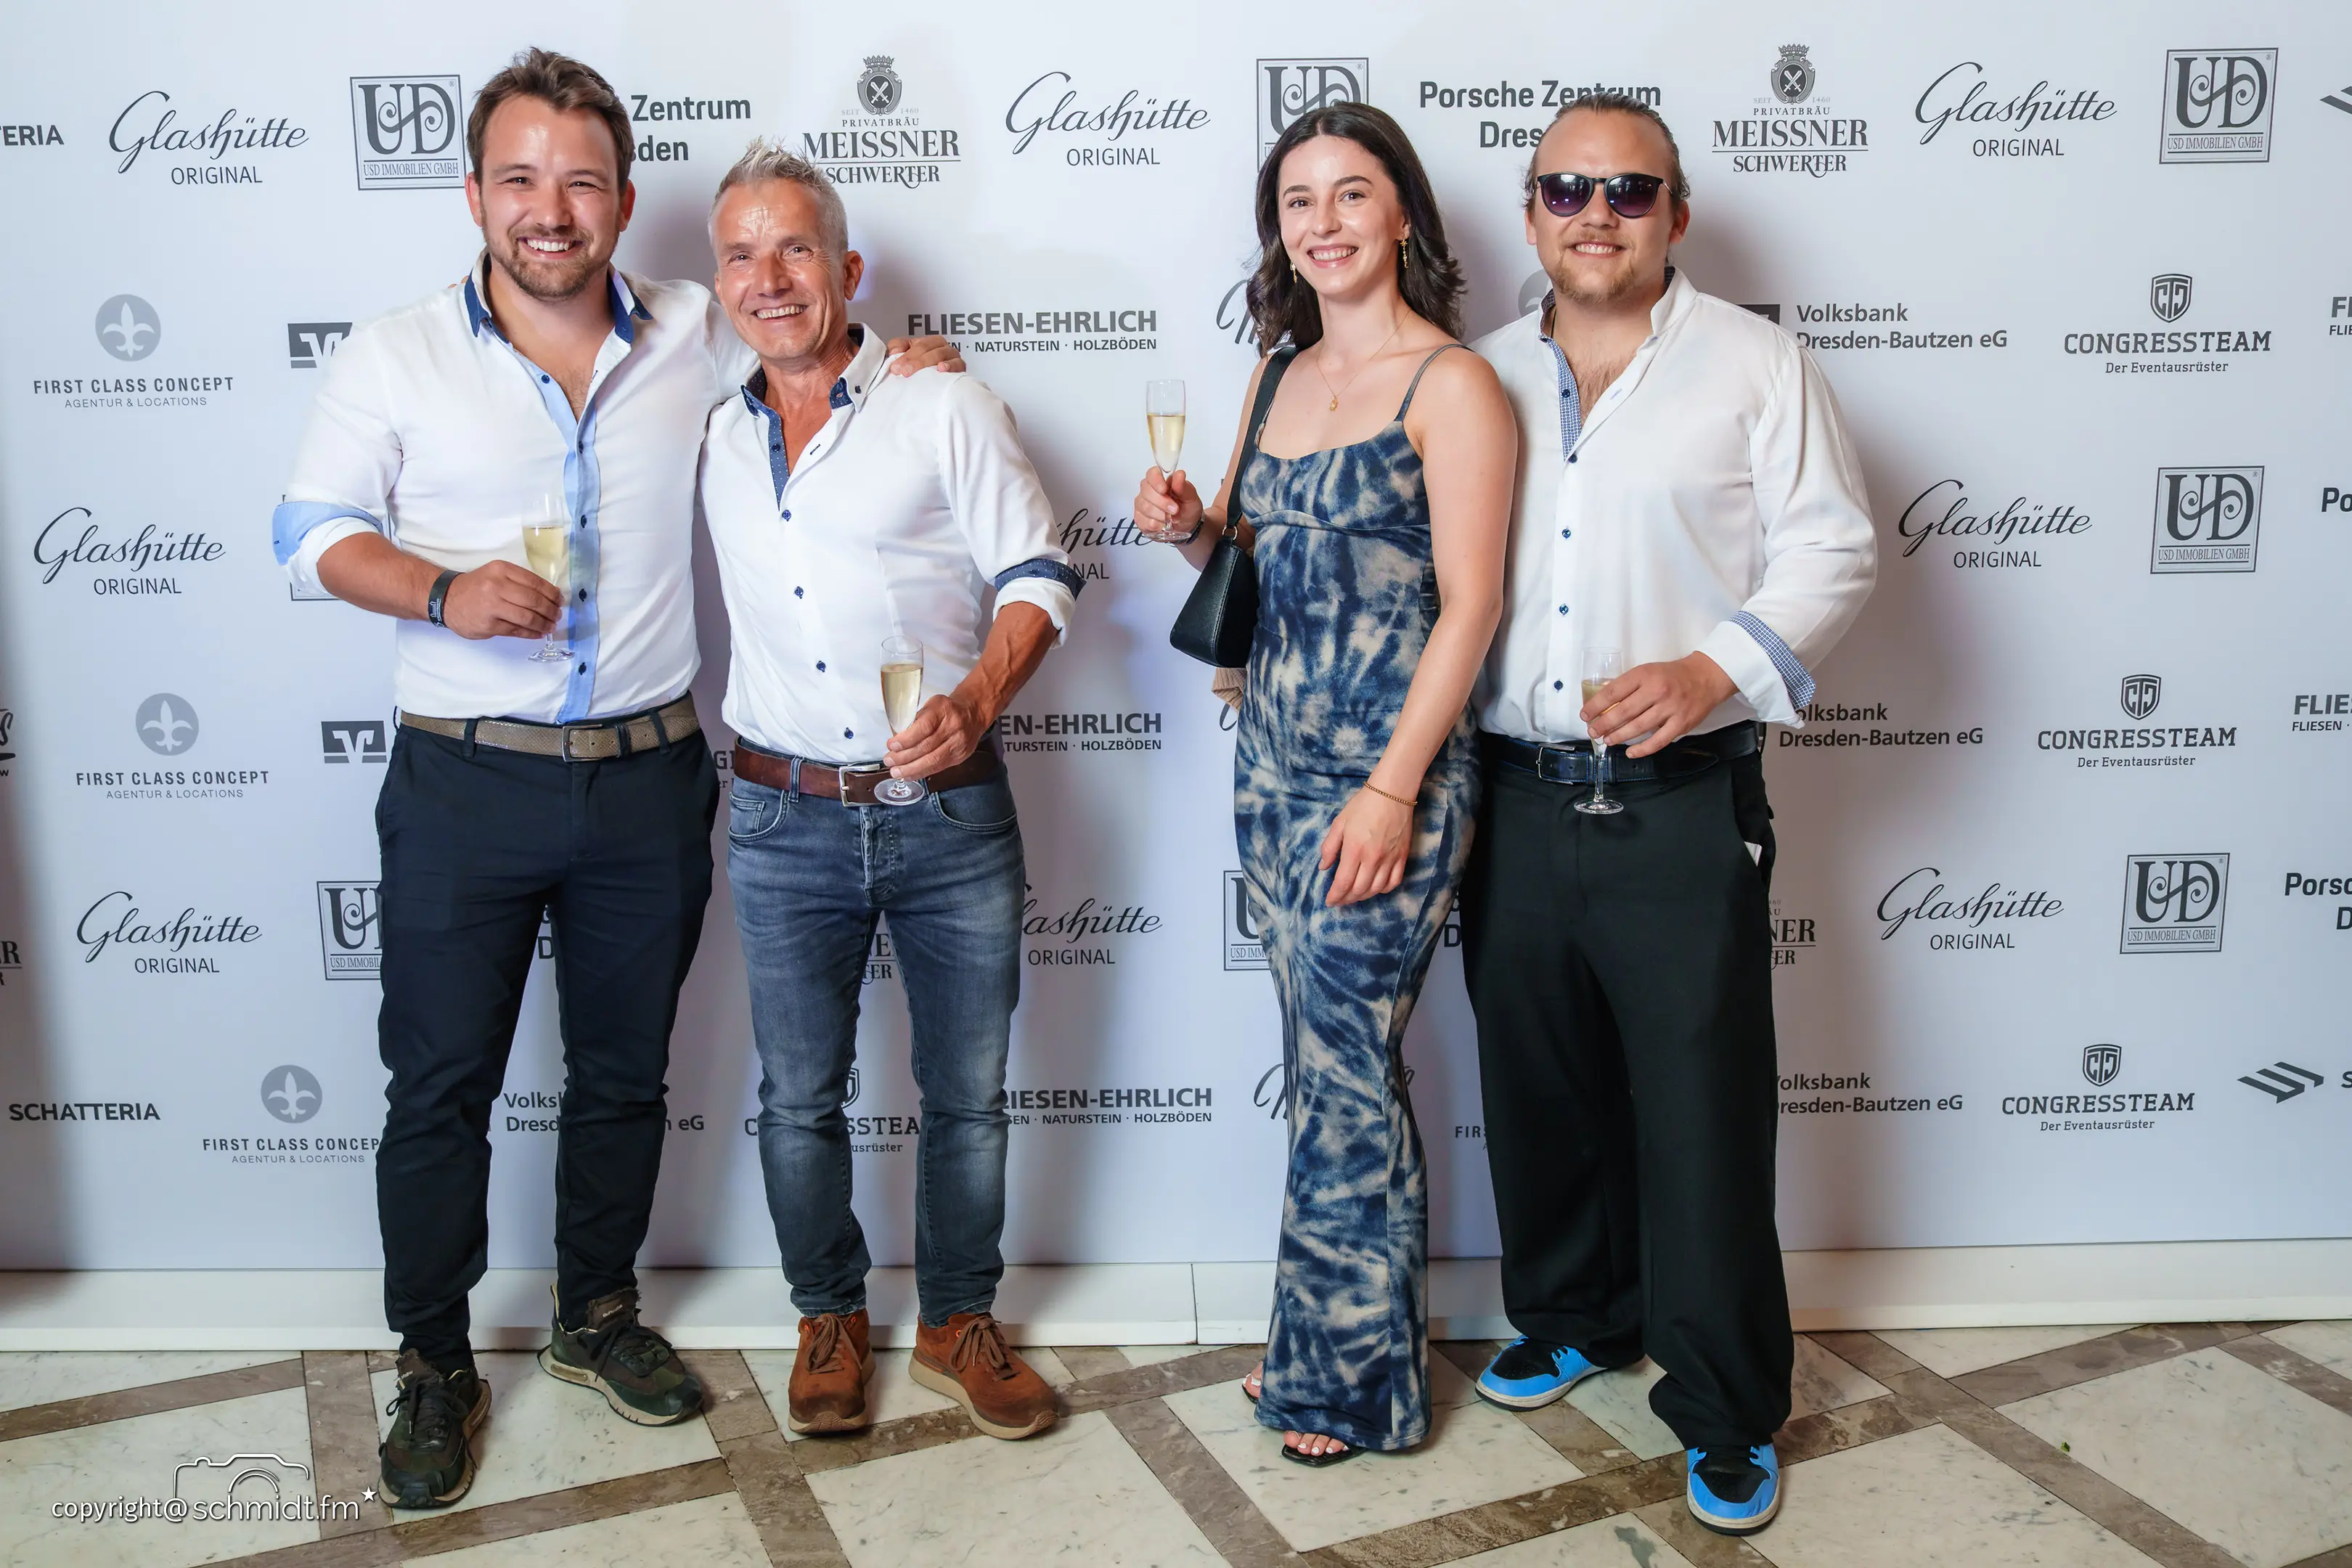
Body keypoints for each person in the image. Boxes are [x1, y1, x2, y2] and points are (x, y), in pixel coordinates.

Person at [270, 51, 960, 1508]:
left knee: (622, 1074)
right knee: (438, 1087)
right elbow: (310, 532)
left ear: (623, 201)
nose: (551, 209)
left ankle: (594, 1313)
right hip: (463, 779)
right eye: (520, 178)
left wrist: (911, 363)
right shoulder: (396, 352)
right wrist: (442, 591)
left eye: (581, 181)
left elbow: (815, 345)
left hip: (648, 779)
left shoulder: (697, 330)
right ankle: (435, 1360)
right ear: (474, 195)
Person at [1458, 94, 1877, 1535]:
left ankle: (1724, 1401)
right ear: (1531, 213)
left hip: (1681, 802)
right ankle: (1574, 1315)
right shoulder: (1477, 375)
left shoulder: (1758, 364)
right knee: (1539, 1090)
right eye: (1567, 188)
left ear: (1676, 214)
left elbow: (1834, 550)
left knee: (1701, 1114)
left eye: (1629, 191)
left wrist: (1711, 672)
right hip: (1511, 798)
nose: (1597, 214)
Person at [1135, 103, 1511, 1463]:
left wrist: (1395, 789)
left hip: (1388, 778)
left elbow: (1472, 606)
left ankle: (1354, 1384)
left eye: (1353, 194)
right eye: (1300, 201)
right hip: (1272, 768)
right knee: (1320, 1063)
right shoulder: (1277, 372)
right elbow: (1254, 574)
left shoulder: (1453, 386)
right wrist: (1194, 533)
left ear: (1402, 214)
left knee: (1347, 1068)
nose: (1325, 222)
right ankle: (1321, 1340)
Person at [700, 142, 1077, 1442]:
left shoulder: (942, 405)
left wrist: (978, 697)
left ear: (848, 268)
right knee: (797, 1097)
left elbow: (1041, 575)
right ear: (717, 284)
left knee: (968, 1092)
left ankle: (960, 1321)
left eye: (795, 249)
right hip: (777, 814)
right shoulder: (704, 420)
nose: (769, 278)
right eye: (741, 255)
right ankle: (829, 1317)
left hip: (949, 810)